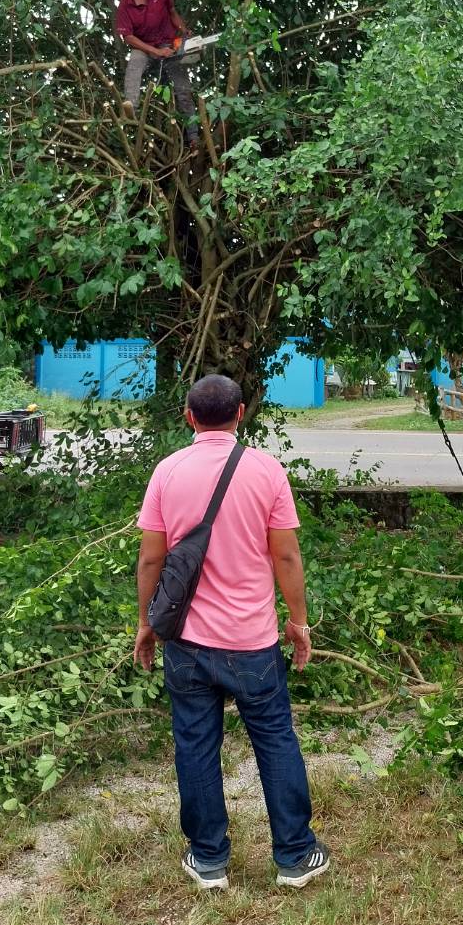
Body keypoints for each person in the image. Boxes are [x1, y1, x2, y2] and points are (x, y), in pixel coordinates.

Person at [133, 373, 330, 891]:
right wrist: (299, 621)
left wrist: (146, 625)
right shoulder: (266, 471)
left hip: (188, 643)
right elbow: (285, 553)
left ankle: (208, 860)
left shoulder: (167, 472)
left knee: (195, 745)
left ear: (189, 416)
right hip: (253, 643)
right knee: (275, 742)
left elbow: (152, 557)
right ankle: (294, 856)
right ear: (242, 413)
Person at [115, 0, 199, 142]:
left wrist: (183, 30)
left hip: (167, 42)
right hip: (144, 46)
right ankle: (131, 107)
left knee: (183, 89)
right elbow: (128, 37)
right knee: (134, 64)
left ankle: (193, 136)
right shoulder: (125, 5)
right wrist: (154, 52)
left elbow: (172, 12)